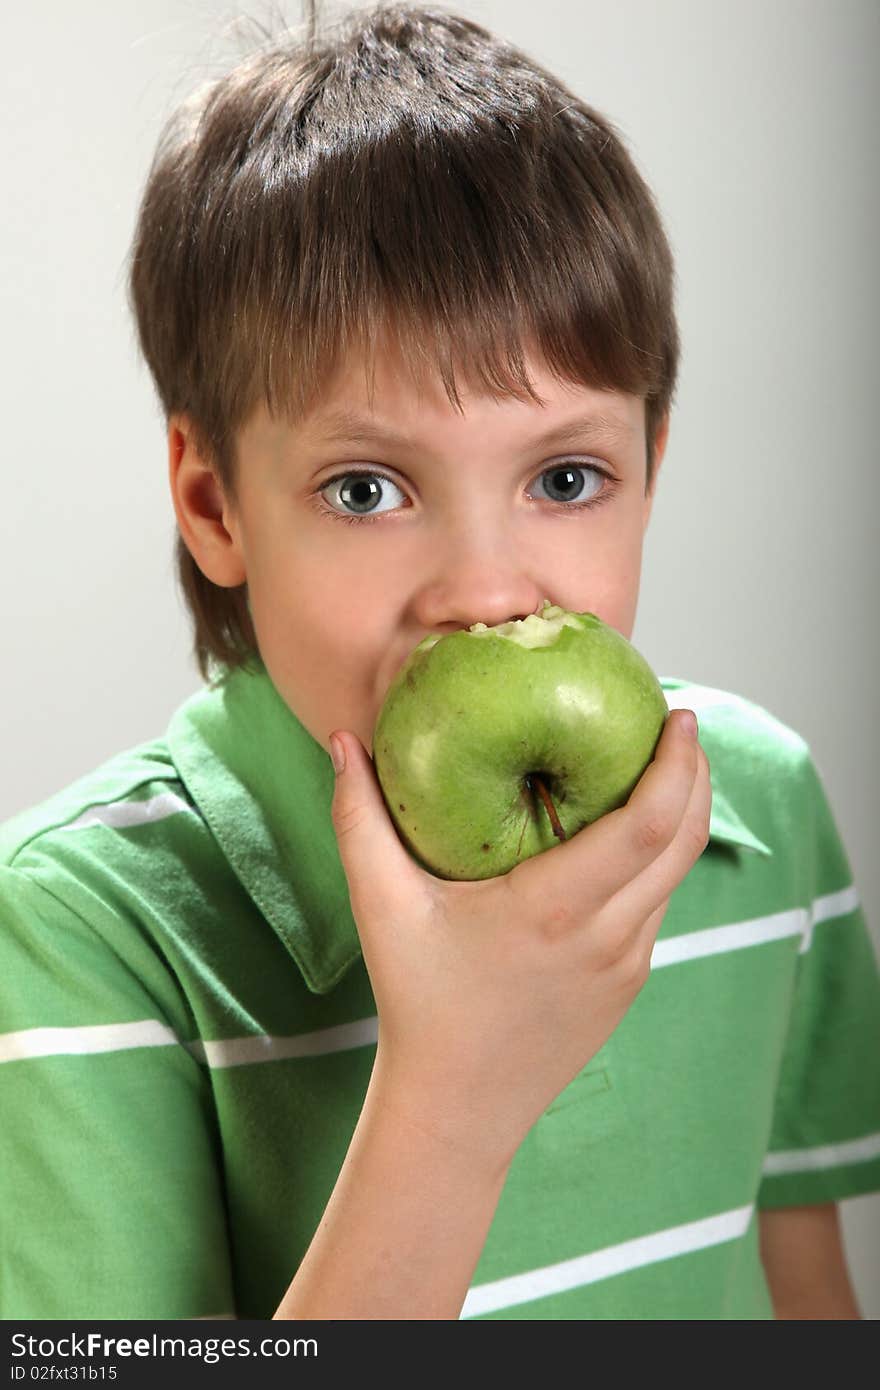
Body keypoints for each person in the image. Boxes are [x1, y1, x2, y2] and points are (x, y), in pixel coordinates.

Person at [1, 2, 878, 1321]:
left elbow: (803, 1293)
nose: (483, 592)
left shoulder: (758, 816)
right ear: (215, 502)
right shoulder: (81, 931)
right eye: (367, 488)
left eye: (567, 475)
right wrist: (454, 1093)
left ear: (652, 467)